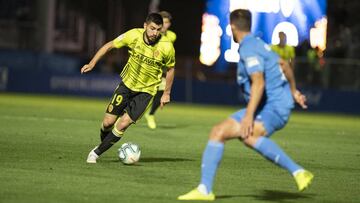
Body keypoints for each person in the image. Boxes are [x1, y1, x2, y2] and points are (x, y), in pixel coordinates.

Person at [178, 9, 313, 201]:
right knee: (218, 132)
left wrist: (249, 115)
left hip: (274, 107)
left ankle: (298, 171)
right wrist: (293, 91)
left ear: (232, 27)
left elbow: (258, 82)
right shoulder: (259, 44)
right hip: (267, 104)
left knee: (247, 135)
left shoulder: (248, 47)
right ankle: (204, 190)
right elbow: (284, 64)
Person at [81, 13, 175, 163]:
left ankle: (95, 153)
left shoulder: (166, 46)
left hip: (146, 92)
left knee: (123, 123)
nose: (154, 33)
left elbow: (170, 69)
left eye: (158, 29)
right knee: (107, 123)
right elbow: (110, 45)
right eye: (152, 29)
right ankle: (105, 143)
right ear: (145, 26)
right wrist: (92, 63)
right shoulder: (133, 35)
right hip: (127, 85)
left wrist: (166, 93)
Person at [145, 11, 177, 129]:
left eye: (167, 22)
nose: (164, 25)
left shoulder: (172, 36)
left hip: (161, 69)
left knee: (162, 93)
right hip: (147, 67)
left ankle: (151, 114)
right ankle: (123, 114)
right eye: (162, 22)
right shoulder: (150, 34)